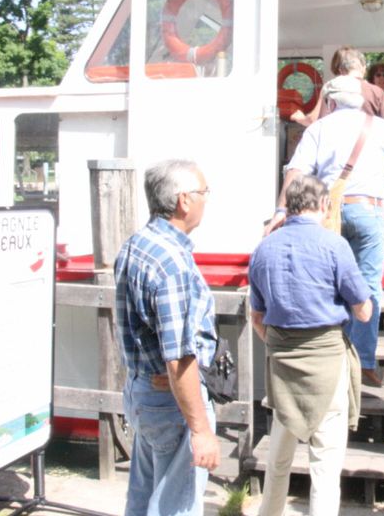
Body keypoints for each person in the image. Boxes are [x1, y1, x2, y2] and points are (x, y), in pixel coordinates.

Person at [265, 75, 384, 386]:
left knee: (328, 282)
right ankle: (364, 361)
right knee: (369, 284)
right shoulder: (381, 128)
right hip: (367, 209)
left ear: (331, 102)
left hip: (327, 213)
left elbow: (297, 170)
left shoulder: (320, 128)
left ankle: (334, 358)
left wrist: (280, 210)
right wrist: (378, 189)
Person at [249, 175, 373, 516]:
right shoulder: (335, 246)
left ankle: (269, 513)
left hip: (282, 364)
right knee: (325, 466)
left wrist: (278, 345)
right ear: (324, 205)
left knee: (278, 457)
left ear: (288, 206)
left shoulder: (263, 248)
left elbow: (257, 317)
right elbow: (363, 311)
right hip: (327, 361)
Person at [113, 159, 220, 516]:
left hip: (143, 390)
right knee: (176, 507)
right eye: (204, 193)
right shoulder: (171, 261)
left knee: (144, 498)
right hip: (170, 401)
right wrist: (201, 431)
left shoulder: (136, 244)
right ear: (184, 201)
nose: (207, 200)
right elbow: (178, 358)